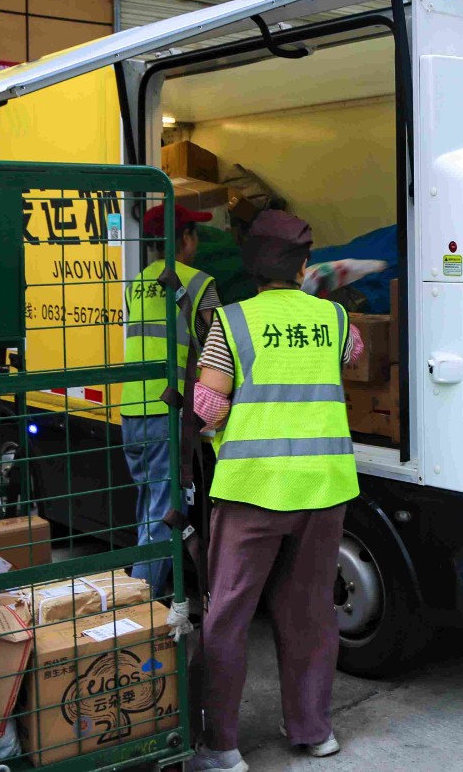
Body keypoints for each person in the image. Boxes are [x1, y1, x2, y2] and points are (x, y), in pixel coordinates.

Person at [187, 210, 366, 772]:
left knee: (228, 615)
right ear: (304, 265)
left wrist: (216, 421)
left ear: (250, 265)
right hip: (324, 488)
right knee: (310, 610)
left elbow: (207, 405)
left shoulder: (232, 321)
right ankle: (313, 731)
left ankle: (222, 747)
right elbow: (354, 356)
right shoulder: (334, 318)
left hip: (253, 488)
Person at [122, 201, 218, 597]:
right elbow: (219, 347)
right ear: (186, 239)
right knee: (165, 514)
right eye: (195, 233)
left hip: (131, 410)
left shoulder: (135, 282)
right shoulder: (199, 283)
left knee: (149, 508)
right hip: (168, 408)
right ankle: (137, 604)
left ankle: (145, 593)